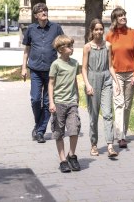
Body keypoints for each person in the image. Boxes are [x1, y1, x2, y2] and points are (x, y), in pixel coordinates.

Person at [21, 3, 64, 143]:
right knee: (35, 99)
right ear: (36, 15)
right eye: (40, 11)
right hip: (35, 70)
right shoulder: (31, 29)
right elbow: (26, 50)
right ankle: (38, 124)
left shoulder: (56, 28)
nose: (44, 12)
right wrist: (23, 68)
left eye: (45, 10)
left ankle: (40, 131)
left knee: (47, 102)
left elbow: (63, 45)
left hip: (51, 71)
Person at [82, 18, 120, 157]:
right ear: (92, 31)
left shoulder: (108, 46)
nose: (99, 31)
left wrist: (116, 82)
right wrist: (87, 84)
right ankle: (94, 144)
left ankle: (110, 145)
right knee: (93, 115)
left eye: (100, 29)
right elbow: (84, 69)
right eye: (96, 29)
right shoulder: (87, 47)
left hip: (106, 79)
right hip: (92, 79)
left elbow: (110, 66)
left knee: (108, 113)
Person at [105, 7, 134, 148]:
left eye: (124, 15)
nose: (123, 17)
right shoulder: (110, 36)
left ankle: (123, 132)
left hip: (131, 73)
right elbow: (108, 58)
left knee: (127, 105)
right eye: (120, 16)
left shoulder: (133, 33)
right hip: (116, 74)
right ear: (115, 19)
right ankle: (120, 136)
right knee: (119, 103)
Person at [48, 35, 81, 173]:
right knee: (58, 132)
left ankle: (72, 155)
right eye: (69, 46)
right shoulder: (55, 64)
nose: (72, 48)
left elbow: (74, 81)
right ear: (61, 49)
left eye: (72, 46)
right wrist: (51, 102)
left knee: (74, 129)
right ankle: (63, 159)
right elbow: (51, 84)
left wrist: (78, 96)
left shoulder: (75, 63)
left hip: (72, 102)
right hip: (59, 103)